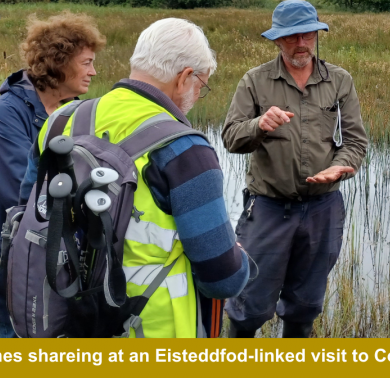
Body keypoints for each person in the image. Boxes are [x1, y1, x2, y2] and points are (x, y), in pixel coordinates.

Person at [27, 18, 249, 338]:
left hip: (64, 321)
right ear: (185, 77)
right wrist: (239, 257)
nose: (198, 95)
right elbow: (222, 280)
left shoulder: (60, 121)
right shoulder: (185, 149)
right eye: (202, 85)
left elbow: (32, 214)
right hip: (153, 330)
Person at [223, 0, 369, 338]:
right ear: (277, 40)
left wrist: (339, 168)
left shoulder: (339, 81)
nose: (301, 44)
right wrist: (259, 125)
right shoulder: (255, 81)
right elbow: (230, 137)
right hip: (269, 209)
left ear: (317, 35)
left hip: (323, 210)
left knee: (305, 307)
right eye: (291, 38)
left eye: (308, 35)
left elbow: (355, 142)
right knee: (249, 308)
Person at [0, 12, 105, 339]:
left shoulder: (81, 113)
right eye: (86, 62)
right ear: (59, 61)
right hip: (18, 259)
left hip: (65, 256)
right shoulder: (7, 113)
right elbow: (25, 194)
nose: (93, 71)